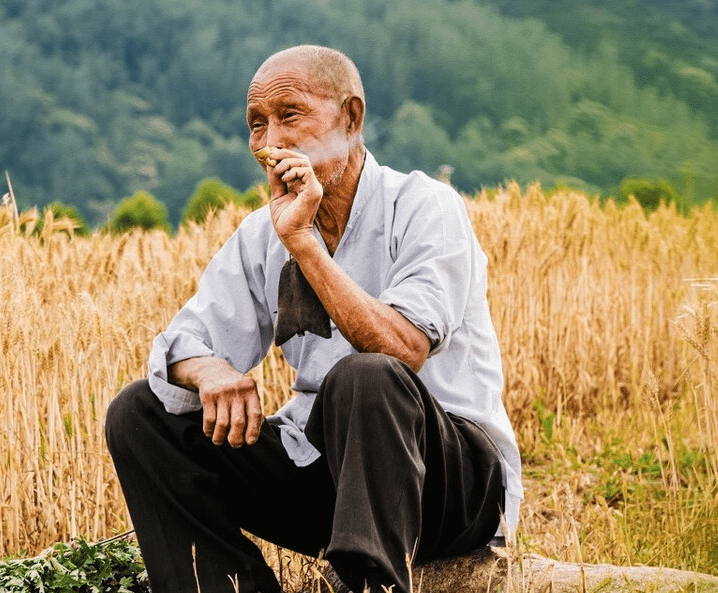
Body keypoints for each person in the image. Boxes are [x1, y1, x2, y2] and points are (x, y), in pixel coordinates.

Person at [105, 45, 522, 593]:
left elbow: (403, 348)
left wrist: (305, 245)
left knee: (364, 376)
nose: (270, 142)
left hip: (448, 482)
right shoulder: (262, 234)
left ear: (350, 119)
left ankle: (371, 583)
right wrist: (208, 371)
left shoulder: (424, 207)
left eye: (289, 115)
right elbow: (184, 341)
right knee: (139, 413)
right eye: (257, 125)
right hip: (327, 478)